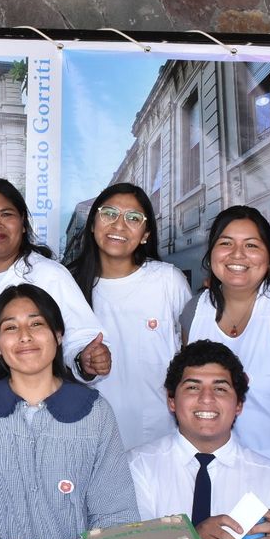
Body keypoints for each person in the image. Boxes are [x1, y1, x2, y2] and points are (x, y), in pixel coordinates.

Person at [0, 284, 139, 539]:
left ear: (58, 336)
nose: (24, 336)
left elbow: (115, 515)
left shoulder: (95, 412)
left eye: (36, 324)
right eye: (10, 327)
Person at [128, 340, 270, 539]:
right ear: (172, 401)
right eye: (193, 387)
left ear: (239, 405)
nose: (206, 398)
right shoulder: (137, 467)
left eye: (220, 388)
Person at [65, 183, 191, 449]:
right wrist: (83, 360)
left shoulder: (168, 280)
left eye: (133, 218)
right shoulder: (68, 284)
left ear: (145, 234)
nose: (119, 225)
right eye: (109, 213)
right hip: (90, 437)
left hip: (162, 435)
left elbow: (192, 355)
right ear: (92, 224)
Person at [0, 178, 110, 383]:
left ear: (23, 223)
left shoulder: (49, 275)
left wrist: (86, 359)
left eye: (6, 214)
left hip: (34, 402)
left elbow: (82, 338)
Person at [181, 206, 270, 462]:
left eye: (251, 246)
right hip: (209, 471)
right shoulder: (194, 311)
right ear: (211, 252)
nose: (237, 254)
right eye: (226, 243)